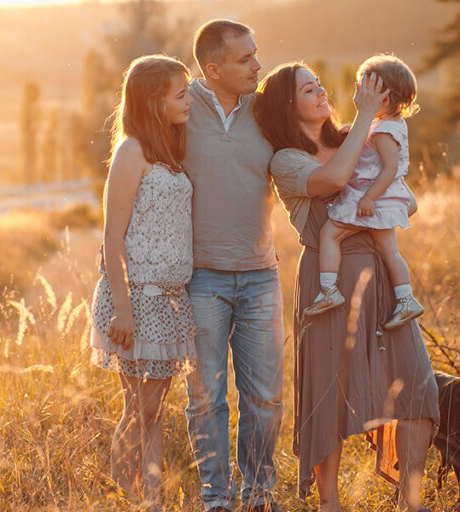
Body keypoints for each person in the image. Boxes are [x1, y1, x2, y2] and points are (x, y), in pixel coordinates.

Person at [254, 62, 439, 512]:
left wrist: (386, 196)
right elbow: (335, 179)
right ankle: (330, 504)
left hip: (379, 274)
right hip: (327, 282)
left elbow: (405, 195)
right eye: (308, 88)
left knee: (417, 386)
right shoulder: (286, 160)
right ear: (287, 104)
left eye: (320, 83)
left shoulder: (354, 137)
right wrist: (364, 117)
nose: (321, 91)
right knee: (328, 396)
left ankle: (410, 500)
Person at [182, 20, 283, 512]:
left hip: (261, 274)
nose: (257, 67)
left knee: (264, 398)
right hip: (200, 277)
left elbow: (315, 143)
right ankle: (216, 500)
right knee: (206, 399)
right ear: (213, 68)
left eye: (256, 55)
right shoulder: (179, 108)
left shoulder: (266, 109)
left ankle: (260, 496)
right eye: (245, 60)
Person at [88, 54, 196, 507]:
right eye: (181, 94)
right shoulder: (131, 151)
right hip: (135, 302)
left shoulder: (169, 151)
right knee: (140, 409)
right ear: (155, 101)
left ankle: (152, 499)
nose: (189, 101)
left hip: (170, 303)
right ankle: (120, 496)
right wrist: (124, 310)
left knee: (153, 413)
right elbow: (112, 238)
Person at [305, 55, 424, 332]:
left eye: (362, 88)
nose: (357, 91)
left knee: (330, 233)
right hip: (384, 198)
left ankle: (328, 289)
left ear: (382, 99)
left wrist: (369, 198)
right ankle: (406, 299)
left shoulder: (382, 132)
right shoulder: (388, 124)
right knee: (389, 250)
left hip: (372, 198)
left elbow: (390, 168)